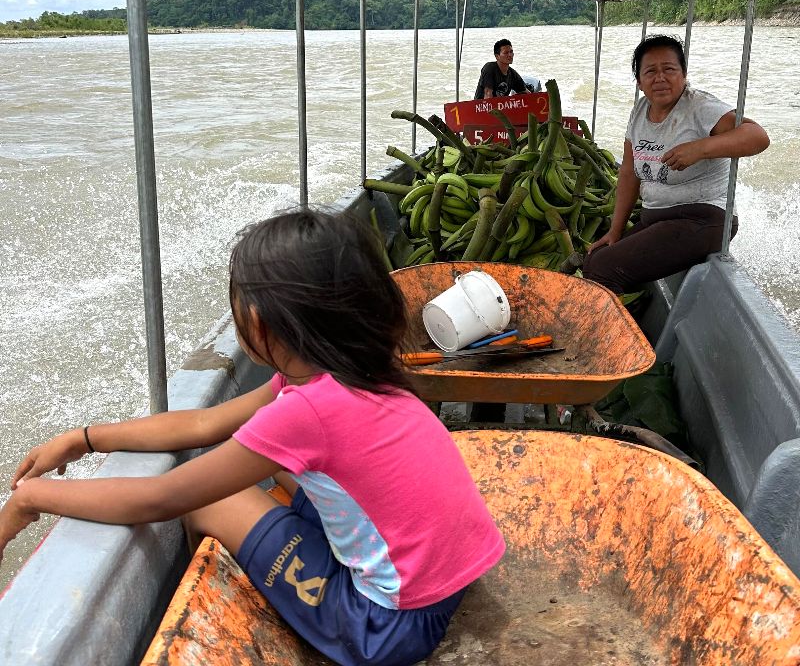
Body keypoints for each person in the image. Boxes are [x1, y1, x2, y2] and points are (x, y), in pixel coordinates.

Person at [0, 209, 505, 666]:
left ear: (258, 320)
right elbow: (202, 424)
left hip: (387, 626)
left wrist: (33, 498)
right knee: (275, 471)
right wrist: (84, 439)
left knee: (208, 504)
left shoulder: (308, 411)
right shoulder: (348, 370)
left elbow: (159, 498)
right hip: (448, 582)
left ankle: (251, 601)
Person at [582, 34, 769, 295]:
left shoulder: (700, 107)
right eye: (650, 71)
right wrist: (615, 231)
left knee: (602, 268)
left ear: (684, 74)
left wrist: (700, 149)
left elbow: (758, 137)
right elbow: (628, 172)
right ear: (640, 81)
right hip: (657, 216)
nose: (660, 78)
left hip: (701, 218)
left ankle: (612, 334)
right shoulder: (639, 110)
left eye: (669, 69)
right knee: (596, 256)